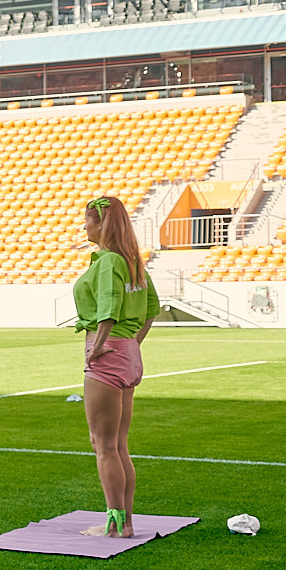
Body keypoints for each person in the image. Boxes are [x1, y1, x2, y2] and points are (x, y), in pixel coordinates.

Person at [73, 194, 159, 539]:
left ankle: (115, 525)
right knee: (119, 444)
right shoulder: (133, 261)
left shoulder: (109, 261)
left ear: (101, 223)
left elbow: (108, 306)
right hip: (126, 353)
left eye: (87, 220)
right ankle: (125, 522)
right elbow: (152, 308)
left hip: (107, 353)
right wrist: (132, 345)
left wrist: (98, 344)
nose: (84, 225)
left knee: (103, 444)